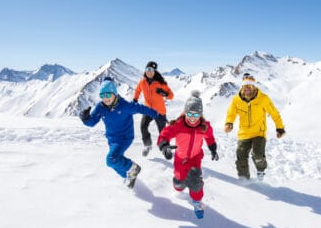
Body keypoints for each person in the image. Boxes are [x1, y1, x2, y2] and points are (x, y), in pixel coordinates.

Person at [80, 76, 160, 188]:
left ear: (114, 93)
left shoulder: (125, 106)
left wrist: (156, 114)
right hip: (112, 139)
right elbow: (92, 122)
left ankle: (134, 168)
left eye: (108, 95)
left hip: (124, 138)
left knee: (111, 159)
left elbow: (141, 108)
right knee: (115, 162)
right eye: (102, 96)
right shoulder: (101, 107)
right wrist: (85, 119)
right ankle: (128, 176)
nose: (105, 98)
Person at [157, 91, 219, 219]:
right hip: (180, 158)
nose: (192, 117)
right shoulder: (178, 124)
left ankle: (197, 202)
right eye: (189, 113)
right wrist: (164, 145)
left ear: (200, 114)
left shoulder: (204, 126)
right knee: (179, 184)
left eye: (195, 114)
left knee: (196, 182)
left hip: (195, 158)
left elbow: (210, 137)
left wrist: (213, 149)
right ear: (185, 112)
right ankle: (180, 184)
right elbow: (165, 134)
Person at [224, 73, 286, 181]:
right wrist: (229, 123)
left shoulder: (263, 98)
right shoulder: (236, 100)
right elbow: (231, 113)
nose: (247, 87)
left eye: (250, 85)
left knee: (257, 154)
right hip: (244, 133)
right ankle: (244, 179)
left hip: (259, 133)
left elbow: (274, 113)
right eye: (245, 85)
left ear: (254, 86)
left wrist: (279, 128)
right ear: (242, 86)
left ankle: (261, 171)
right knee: (240, 155)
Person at [133, 61, 174, 156]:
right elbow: (138, 90)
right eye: (148, 69)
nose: (149, 72)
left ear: (155, 71)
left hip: (160, 111)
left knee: (162, 131)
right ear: (145, 70)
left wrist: (164, 93)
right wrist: (135, 98)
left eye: (151, 70)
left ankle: (165, 148)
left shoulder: (161, 83)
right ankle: (147, 145)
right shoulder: (142, 82)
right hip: (148, 109)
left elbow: (171, 95)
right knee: (143, 126)